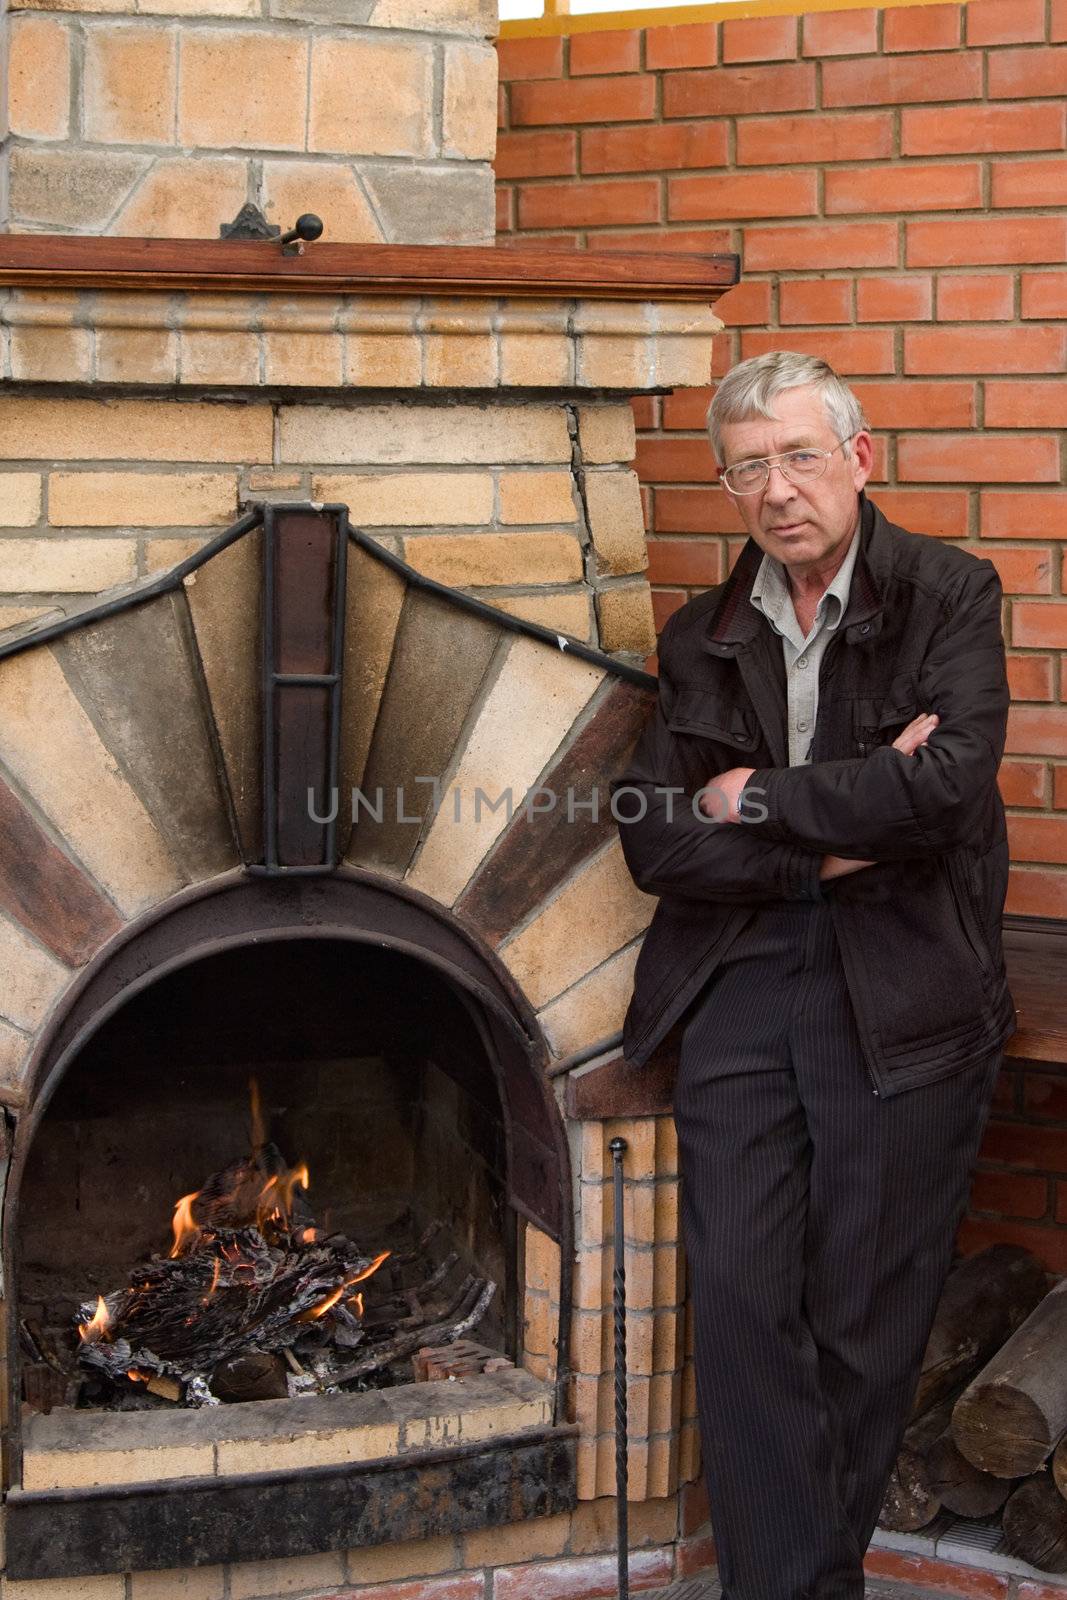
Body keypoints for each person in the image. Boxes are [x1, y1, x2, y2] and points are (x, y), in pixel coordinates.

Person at [613, 351, 1015, 1600]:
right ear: (728, 487)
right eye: (746, 468)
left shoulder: (947, 593)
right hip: (742, 978)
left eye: (797, 456)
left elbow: (942, 792)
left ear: (855, 458)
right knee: (739, 1305)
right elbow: (648, 827)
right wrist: (825, 845)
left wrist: (763, 800)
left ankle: (799, 1584)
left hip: (904, 989)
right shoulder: (704, 631)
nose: (774, 490)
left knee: (863, 1315)